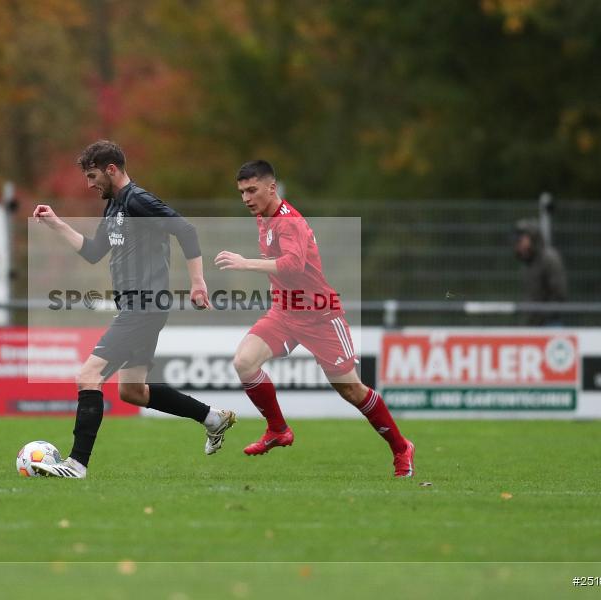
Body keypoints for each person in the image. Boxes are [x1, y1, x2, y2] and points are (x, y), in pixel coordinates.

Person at [31, 140, 236, 478]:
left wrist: (198, 282)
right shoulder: (113, 208)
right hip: (136, 307)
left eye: (93, 175)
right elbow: (95, 251)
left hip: (144, 307)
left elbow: (185, 229)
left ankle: (76, 464)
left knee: (88, 376)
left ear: (112, 169)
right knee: (132, 391)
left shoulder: (139, 201)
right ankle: (213, 418)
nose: (89, 184)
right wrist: (56, 223)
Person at [214, 160, 414, 477]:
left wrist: (245, 264)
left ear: (271, 187)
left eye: (252, 190)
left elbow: (293, 265)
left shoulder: (288, 221)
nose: (246, 198)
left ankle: (402, 448)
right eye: (241, 192)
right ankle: (278, 430)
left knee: (351, 390)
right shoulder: (263, 218)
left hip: (320, 315)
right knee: (244, 362)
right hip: (284, 312)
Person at [513, 218, 568, 326]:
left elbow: (559, 293)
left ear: (532, 237)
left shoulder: (549, 258)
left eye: (521, 238)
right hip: (533, 323)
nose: (518, 243)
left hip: (549, 322)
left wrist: (544, 314)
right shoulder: (527, 262)